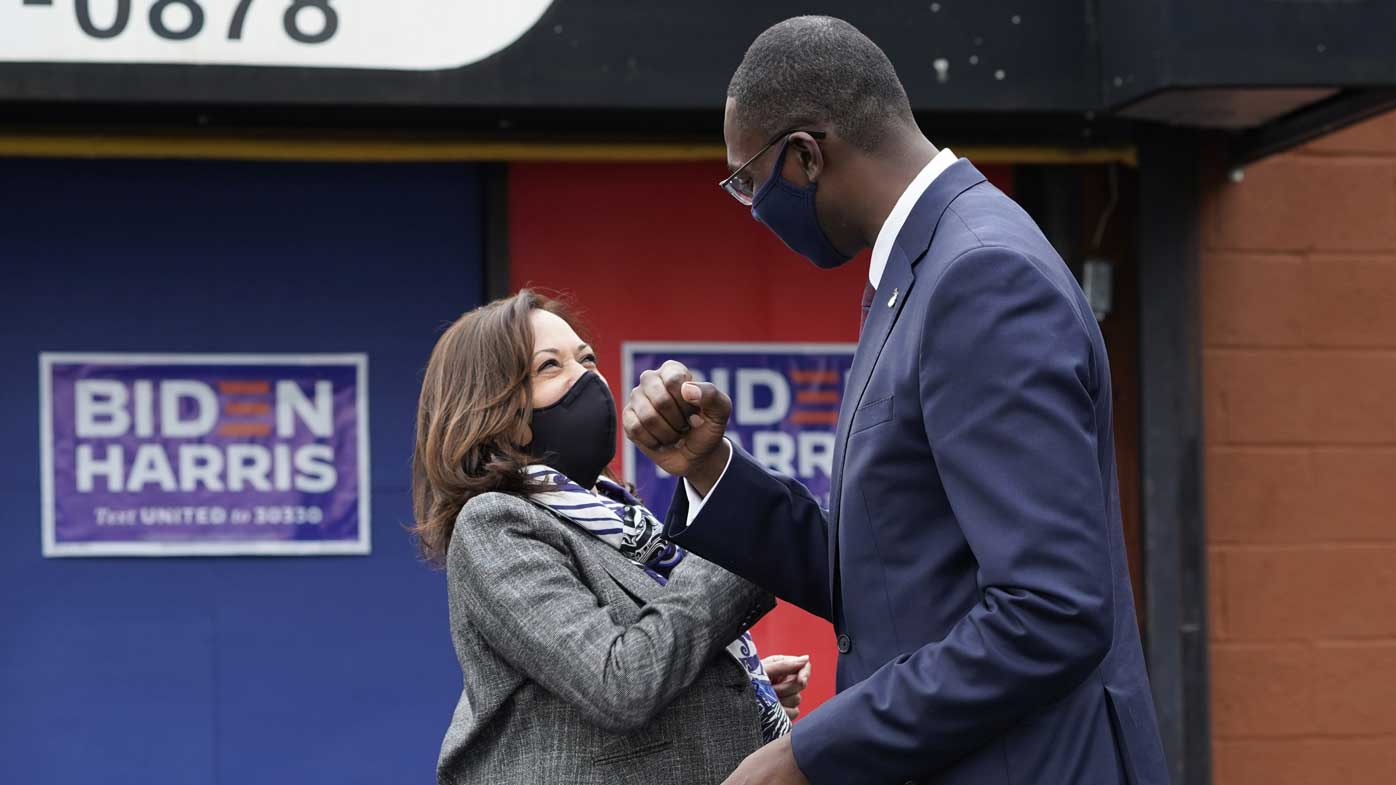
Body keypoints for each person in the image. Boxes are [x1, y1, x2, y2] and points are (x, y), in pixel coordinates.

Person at [623, 16, 1169, 785]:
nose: (748, 206)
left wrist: (808, 753)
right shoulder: (924, 268)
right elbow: (890, 570)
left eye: (747, 180)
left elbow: (1052, 611)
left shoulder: (979, 276)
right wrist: (711, 468)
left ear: (808, 155)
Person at [412, 291, 812, 785]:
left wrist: (729, 690)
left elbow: (642, 655)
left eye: (587, 358)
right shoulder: (496, 523)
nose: (589, 379)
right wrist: (737, 531)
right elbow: (619, 683)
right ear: (497, 411)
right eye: (550, 366)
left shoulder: (619, 515)